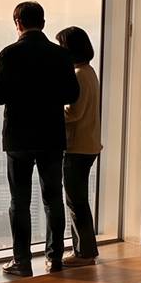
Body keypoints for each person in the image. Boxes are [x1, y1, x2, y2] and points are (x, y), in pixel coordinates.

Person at [0, 1, 80, 275]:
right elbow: (72, 95)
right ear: (43, 22)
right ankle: (55, 258)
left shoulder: (9, 55)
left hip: (19, 138)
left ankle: (22, 261)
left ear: (17, 23)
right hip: (51, 136)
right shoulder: (61, 56)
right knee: (53, 199)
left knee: (20, 202)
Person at [57, 26, 101, 262]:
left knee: (76, 201)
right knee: (78, 200)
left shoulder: (79, 75)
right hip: (88, 144)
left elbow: (74, 113)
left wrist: (51, 110)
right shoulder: (88, 72)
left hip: (78, 146)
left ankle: (84, 252)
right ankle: (84, 249)